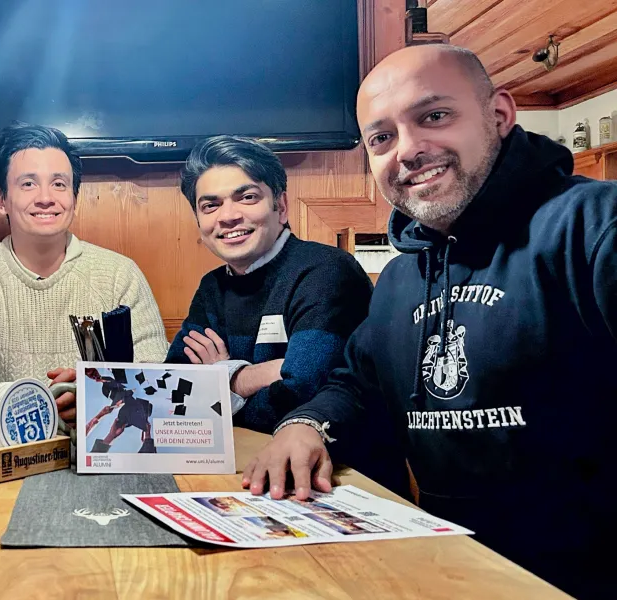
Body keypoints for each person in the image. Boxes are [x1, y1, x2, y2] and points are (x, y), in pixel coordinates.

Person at [242, 44, 616, 598]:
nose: (410, 150)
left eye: (434, 116)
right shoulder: (399, 280)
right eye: (381, 138)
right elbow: (357, 383)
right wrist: (306, 424)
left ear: (500, 114)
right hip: (444, 572)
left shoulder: (594, 226)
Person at [0, 124, 168, 424]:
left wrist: (90, 394)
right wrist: (44, 404)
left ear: (74, 198)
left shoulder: (119, 275)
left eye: (59, 184)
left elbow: (157, 380)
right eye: (28, 184)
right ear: (1, 198)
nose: (45, 197)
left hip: (99, 449)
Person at [167, 136, 374, 432]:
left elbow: (303, 394)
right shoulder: (212, 287)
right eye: (211, 205)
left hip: (340, 470)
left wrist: (225, 377)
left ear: (281, 205)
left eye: (247, 197)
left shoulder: (326, 271)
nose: (228, 216)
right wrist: (265, 372)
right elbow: (173, 395)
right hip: (242, 464)